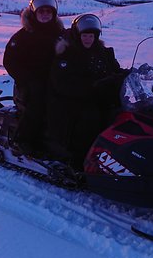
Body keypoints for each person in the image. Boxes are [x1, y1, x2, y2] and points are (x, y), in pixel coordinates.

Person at [47, 13, 127, 169]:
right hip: (73, 99)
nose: (88, 39)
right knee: (90, 120)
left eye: (91, 36)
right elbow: (62, 82)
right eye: (85, 35)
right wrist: (91, 86)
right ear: (78, 35)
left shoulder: (103, 53)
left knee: (122, 115)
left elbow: (114, 70)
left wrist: (128, 73)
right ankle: (79, 163)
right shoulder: (67, 54)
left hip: (101, 96)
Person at [3, 0, 65, 155]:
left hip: (56, 81)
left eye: (48, 12)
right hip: (28, 86)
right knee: (39, 102)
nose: (45, 15)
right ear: (34, 13)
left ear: (53, 14)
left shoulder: (60, 34)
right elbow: (10, 62)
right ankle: (24, 140)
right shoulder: (23, 36)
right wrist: (28, 80)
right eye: (41, 11)